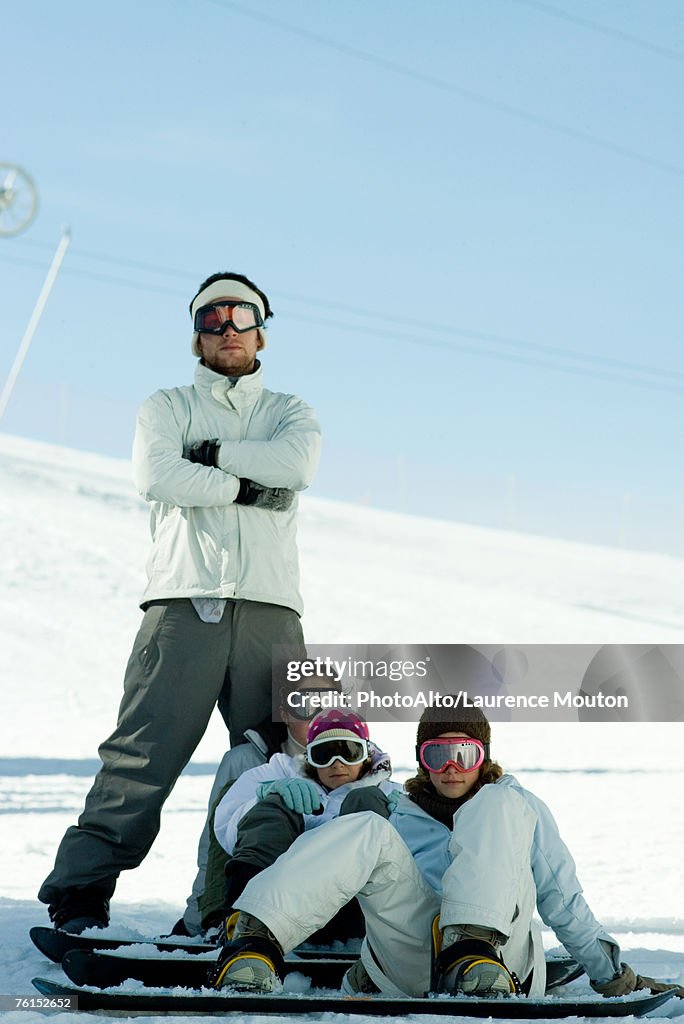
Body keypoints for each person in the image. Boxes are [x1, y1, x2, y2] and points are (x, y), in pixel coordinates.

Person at [38, 271, 321, 933]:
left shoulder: (290, 411)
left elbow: (296, 466)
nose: (227, 329)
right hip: (181, 600)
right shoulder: (164, 406)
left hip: (271, 607)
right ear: (196, 335)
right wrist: (248, 488)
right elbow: (156, 474)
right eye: (211, 318)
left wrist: (213, 457)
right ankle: (79, 896)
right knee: (143, 753)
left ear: (262, 329)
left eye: (240, 316)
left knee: (281, 759)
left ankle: (250, 904)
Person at [209, 706, 684, 1001]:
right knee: (364, 825)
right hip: (409, 960)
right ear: (421, 759)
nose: (451, 768)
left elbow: (562, 898)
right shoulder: (399, 808)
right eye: (438, 755)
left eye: (465, 754)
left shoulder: (514, 808)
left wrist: (616, 977)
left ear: (485, 757)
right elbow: (335, 869)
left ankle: (473, 956)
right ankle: (253, 946)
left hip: (501, 962)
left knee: (494, 802)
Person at [173, 675, 347, 938]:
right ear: (284, 712)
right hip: (248, 889)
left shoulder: (354, 759)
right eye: (304, 704)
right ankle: (239, 924)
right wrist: (197, 920)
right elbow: (215, 843)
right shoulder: (246, 760)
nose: (318, 715)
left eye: (329, 704)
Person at [210, 707, 396, 954]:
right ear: (309, 758)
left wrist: (399, 819)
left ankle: (376, 939)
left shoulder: (389, 793)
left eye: (349, 753)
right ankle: (244, 920)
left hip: (354, 910)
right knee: (276, 806)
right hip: (279, 903)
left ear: (366, 755)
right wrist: (265, 797)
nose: (337, 764)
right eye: (324, 754)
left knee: (366, 806)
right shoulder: (277, 773)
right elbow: (226, 829)